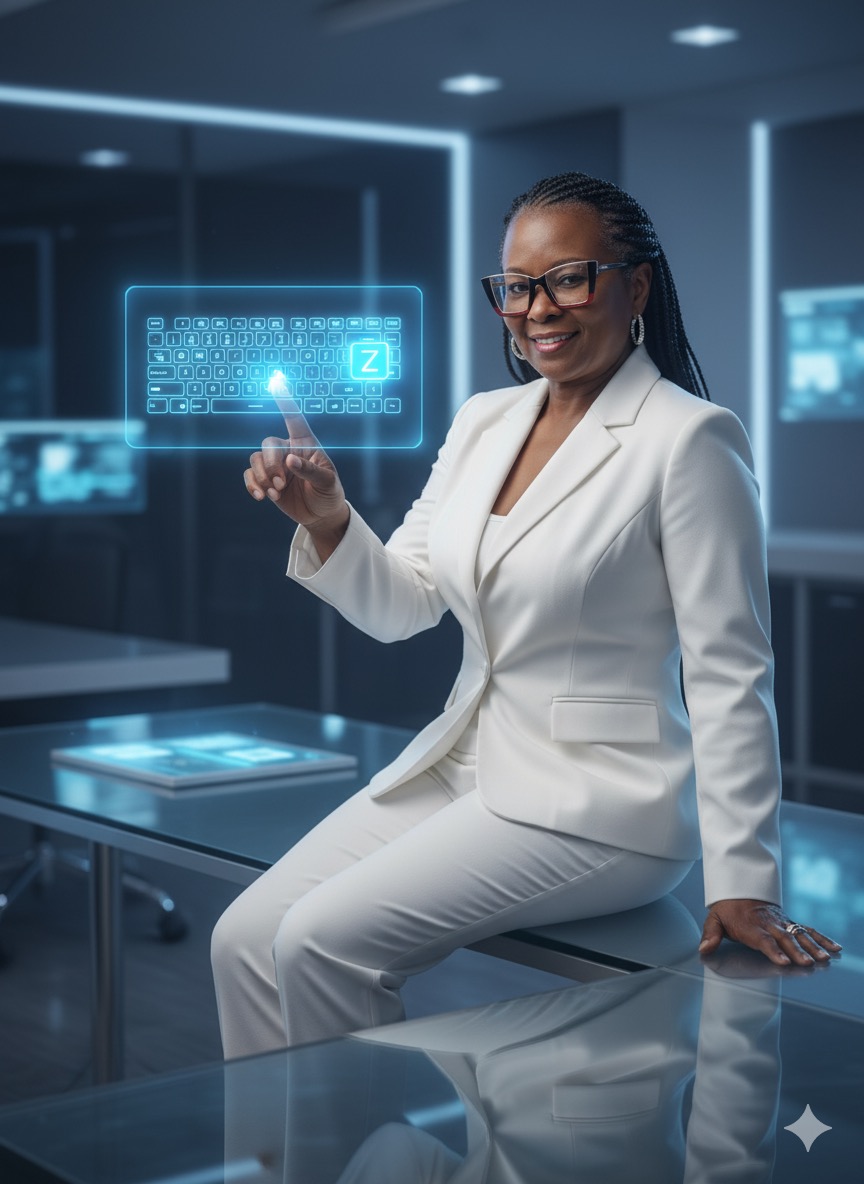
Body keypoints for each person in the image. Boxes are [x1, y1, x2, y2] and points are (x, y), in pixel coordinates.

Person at [211, 171, 840, 1060]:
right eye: (516, 286)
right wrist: (330, 521)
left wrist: (743, 880)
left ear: (637, 286)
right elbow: (406, 606)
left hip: (600, 800)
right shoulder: (483, 422)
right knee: (244, 941)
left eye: (569, 277)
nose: (536, 307)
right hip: (465, 764)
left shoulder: (689, 440)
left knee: (320, 945)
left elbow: (731, 673)